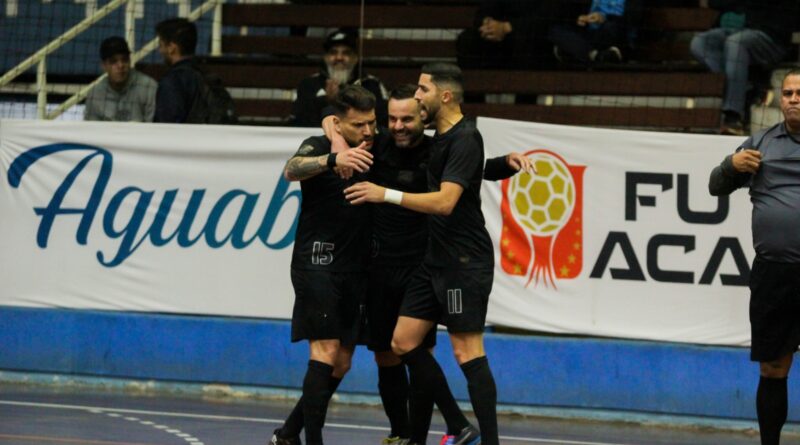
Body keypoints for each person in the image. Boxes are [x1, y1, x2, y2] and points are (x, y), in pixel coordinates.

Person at [345, 63, 502, 445]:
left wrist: (386, 194)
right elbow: (472, 171)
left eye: (422, 90)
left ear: (444, 96)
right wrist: (504, 165)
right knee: (402, 342)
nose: (417, 96)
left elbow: (447, 202)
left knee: (467, 352)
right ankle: (455, 425)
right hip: (433, 259)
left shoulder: (466, 137)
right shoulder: (442, 136)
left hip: (463, 261)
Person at [272, 85, 375, 445]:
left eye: (371, 123)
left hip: (356, 267)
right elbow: (291, 169)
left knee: (342, 362)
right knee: (326, 351)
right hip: (317, 262)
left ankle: (287, 433)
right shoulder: (318, 145)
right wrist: (333, 160)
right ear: (340, 123)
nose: (368, 131)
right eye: (359, 125)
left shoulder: (375, 147)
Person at [708, 69, 800, 445]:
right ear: (780, 100)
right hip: (774, 276)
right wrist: (731, 166)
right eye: (788, 92)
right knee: (773, 367)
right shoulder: (760, 143)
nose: (794, 98)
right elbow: (715, 185)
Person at [690, 0, 799, 135]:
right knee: (700, 43)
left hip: (773, 38)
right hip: (744, 30)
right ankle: (745, 86)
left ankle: (733, 116)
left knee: (735, 41)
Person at [290, 28, 389, 128]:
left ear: (355, 58)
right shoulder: (308, 85)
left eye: (346, 53)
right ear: (326, 57)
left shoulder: (372, 84)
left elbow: (383, 122)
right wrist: (326, 101)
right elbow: (297, 122)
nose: (339, 58)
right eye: (333, 52)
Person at [456, 0, 567, 69]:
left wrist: (508, 27)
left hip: (533, 42)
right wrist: (487, 23)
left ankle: (524, 104)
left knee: (527, 43)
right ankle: (475, 103)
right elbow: (484, 11)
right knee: (467, 40)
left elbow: (548, 17)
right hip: (499, 42)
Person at [83, 36, 157, 122]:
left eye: (124, 60)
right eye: (113, 61)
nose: (120, 66)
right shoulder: (95, 95)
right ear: (104, 66)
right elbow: (92, 132)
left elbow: (154, 129)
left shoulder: (148, 87)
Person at [548, 0, 642, 65]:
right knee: (555, 30)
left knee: (610, 27)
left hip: (614, 35)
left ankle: (575, 51)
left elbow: (632, 21)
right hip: (588, 34)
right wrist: (579, 18)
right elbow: (572, 11)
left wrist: (604, 18)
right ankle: (595, 55)